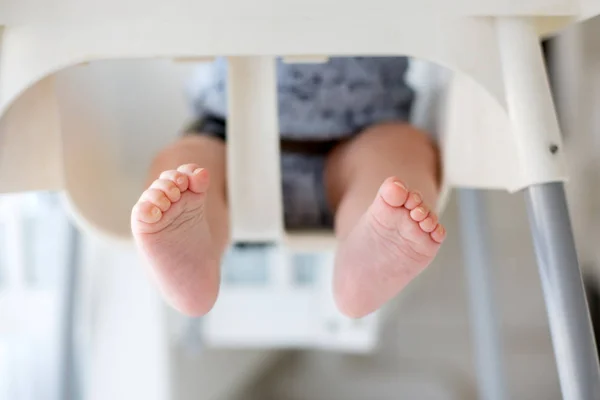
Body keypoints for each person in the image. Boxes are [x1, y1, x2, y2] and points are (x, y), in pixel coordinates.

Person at [130, 57, 445, 318]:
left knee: (396, 155)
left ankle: (363, 260)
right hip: (229, 131)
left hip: (363, 135)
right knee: (186, 165)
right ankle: (193, 258)